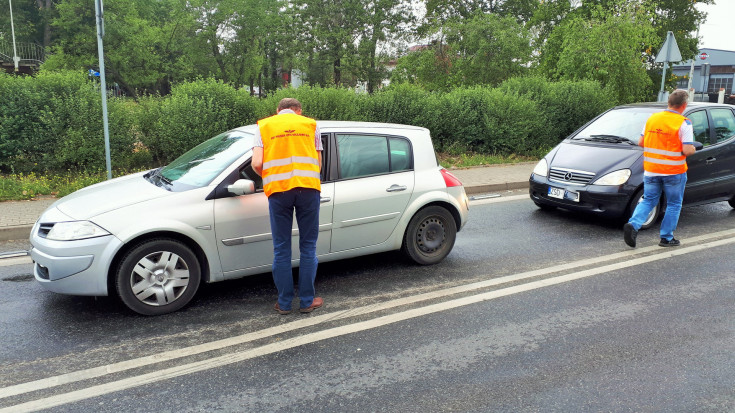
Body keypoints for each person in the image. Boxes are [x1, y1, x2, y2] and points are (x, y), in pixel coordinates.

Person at [252, 98, 324, 314]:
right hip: (308, 189)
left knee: (281, 249)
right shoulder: (311, 125)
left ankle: (284, 304)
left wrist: (270, 176)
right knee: (308, 246)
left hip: (278, 191)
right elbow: (318, 164)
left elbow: (256, 163)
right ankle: (306, 301)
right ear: (299, 111)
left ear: (278, 111)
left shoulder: (263, 126)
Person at [624, 90, 696, 248]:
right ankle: (666, 238)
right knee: (674, 204)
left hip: (651, 170)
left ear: (669, 103)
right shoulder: (684, 123)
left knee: (649, 200)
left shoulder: (652, 119)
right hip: (674, 172)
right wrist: (693, 149)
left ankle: (633, 224)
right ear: (684, 105)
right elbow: (687, 150)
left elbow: (641, 142)